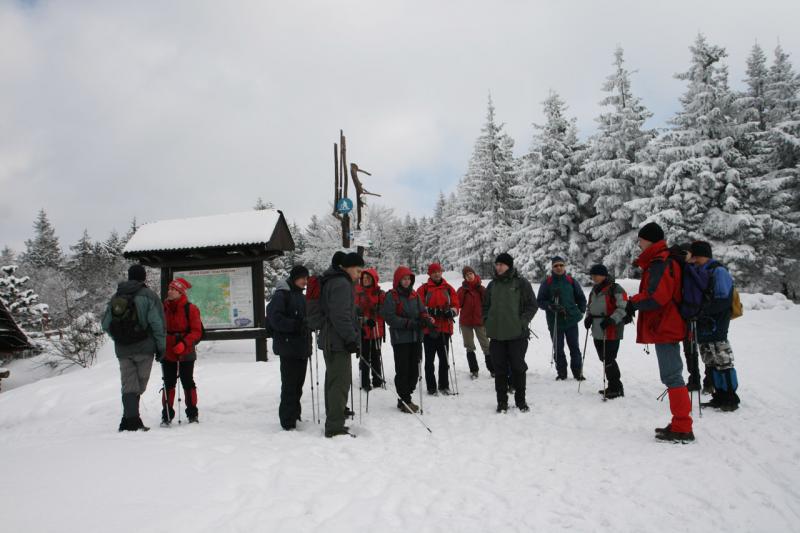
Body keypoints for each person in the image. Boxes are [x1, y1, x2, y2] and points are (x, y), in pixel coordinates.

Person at [625, 222, 694, 442]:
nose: (639, 244)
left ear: (649, 240)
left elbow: (657, 296)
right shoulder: (662, 260)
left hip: (666, 324)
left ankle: (683, 426)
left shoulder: (661, 262)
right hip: (667, 323)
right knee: (672, 374)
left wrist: (632, 302)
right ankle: (680, 422)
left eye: (641, 240)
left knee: (672, 375)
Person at [102, 264, 166, 432]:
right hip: (144, 348)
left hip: (123, 350)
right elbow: (157, 324)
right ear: (144, 277)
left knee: (129, 385)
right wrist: (161, 347)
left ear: (129, 276)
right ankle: (132, 421)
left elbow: (106, 324)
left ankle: (128, 420)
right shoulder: (149, 296)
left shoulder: (117, 295)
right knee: (139, 385)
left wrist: (119, 337)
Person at [685, 241, 741, 411]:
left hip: (717, 323)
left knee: (723, 360)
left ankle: (730, 397)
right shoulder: (700, 270)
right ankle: (719, 395)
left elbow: (723, 300)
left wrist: (701, 312)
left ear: (700, 255)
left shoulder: (718, 271)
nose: (692, 259)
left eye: (694, 256)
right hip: (704, 324)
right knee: (710, 361)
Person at [482, 253, 538, 412]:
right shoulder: (492, 285)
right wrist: (487, 320)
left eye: (502, 264)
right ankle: (502, 402)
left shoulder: (521, 283)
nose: (498, 267)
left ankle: (521, 401)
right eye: (497, 264)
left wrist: (522, 322)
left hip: (517, 335)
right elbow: (485, 306)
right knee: (499, 370)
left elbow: (532, 305)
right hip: (496, 335)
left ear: (509, 265)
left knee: (518, 368)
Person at [318, 252, 363, 438]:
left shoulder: (333, 280)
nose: (359, 275)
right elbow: (340, 316)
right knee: (340, 384)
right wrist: (351, 339)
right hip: (337, 342)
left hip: (331, 340)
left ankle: (334, 416)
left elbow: (341, 310)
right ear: (347, 267)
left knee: (333, 381)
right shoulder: (341, 283)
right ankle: (335, 426)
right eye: (357, 270)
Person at [383, 266, 433, 413]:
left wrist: (425, 318)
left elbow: (422, 310)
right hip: (401, 339)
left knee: (414, 370)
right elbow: (390, 317)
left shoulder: (414, 294)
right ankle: (405, 399)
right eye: (404, 279)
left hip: (416, 337)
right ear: (398, 280)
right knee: (403, 369)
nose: (406, 281)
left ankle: (406, 394)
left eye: (408, 279)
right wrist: (409, 323)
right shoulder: (391, 296)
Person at [268, 265, 312, 430]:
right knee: (289, 386)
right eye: (303, 278)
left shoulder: (301, 296)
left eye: (307, 278)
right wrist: (296, 325)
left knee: (298, 386)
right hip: (288, 348)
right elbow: (275, 319)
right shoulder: (282, 295)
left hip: (301, 347)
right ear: (294, 278)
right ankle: (287, 421)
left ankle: (295, 416)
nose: (305, 281)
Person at [161, 277, 203, 425]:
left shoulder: (190, 309)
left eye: (174, 289)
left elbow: (197, 331)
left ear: (181, 292)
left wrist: (184, 343)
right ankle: (167, 414)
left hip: (186, 350)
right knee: (168, 382)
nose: (170, 291)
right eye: (169, 289)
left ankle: (192, 413)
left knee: (187, 381)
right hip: (168, 350)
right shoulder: (163, 308)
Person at [537, 256, 587, 381]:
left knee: (574, 347)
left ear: (564, 266)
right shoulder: (547, 283)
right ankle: (562, 373)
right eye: (556, 266)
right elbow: (540, 301)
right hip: (554, 321)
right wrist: (550, 305)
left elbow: (581, 298)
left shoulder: (571, 281)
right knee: (558, 348)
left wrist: (581, 311)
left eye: (561, 265)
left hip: (571, 320)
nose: (559, 268)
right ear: (552, 268)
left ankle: (578, 373)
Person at [583, 264, 628, 399]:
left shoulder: (615, 288)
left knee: (609, 358)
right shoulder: (594, 289)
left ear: (603, 275)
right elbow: (589, 307)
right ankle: (613, 386)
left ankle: (616, 387)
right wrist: (588, 317)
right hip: (597, 328)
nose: (594, 277)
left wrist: (612, 319)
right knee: (603, 357)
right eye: (592, 275)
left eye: (596, 275)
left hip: (612, 329)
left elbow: (623, 307)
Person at [417, 263, 460, 395]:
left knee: (444, 359)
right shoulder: (423, 289)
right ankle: (431, 387)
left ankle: (444, 385)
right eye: (434, 272)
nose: (436, 274)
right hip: (429, 329)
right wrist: (430, 311)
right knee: (429, 360)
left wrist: (451, 312)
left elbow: (456, 305)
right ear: (430, 274)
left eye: (438, 271)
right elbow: (418, 306)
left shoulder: (448, 288)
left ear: (441, 272)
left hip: (444, 328)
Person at [457, 266, 492, 379]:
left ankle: (493, 369)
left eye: (471, 273)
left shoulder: (481, 288)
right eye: (467, 275)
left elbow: (487, 303)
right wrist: (463, 291)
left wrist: (481, 290)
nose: (469, 276)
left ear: (474, 274)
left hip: (479, 321)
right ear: (464, 277)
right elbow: (458, 304)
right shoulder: (461, 290)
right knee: (469, 346)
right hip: (466, 322)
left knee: (486, 345)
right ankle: (474, 370)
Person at [355, 268, 386, 391]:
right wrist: (364, 317)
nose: (365, 280)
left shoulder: (380, 293)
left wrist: (377, 310)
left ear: (374, 279)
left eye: (368, 278)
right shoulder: (358, 293)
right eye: (364, 278)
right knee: (364, 356)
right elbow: (355, 311)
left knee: (376, 355)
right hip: (363, 330)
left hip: (377, 329)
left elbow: (385, 310)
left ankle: (377, 380)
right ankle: (365, 382)